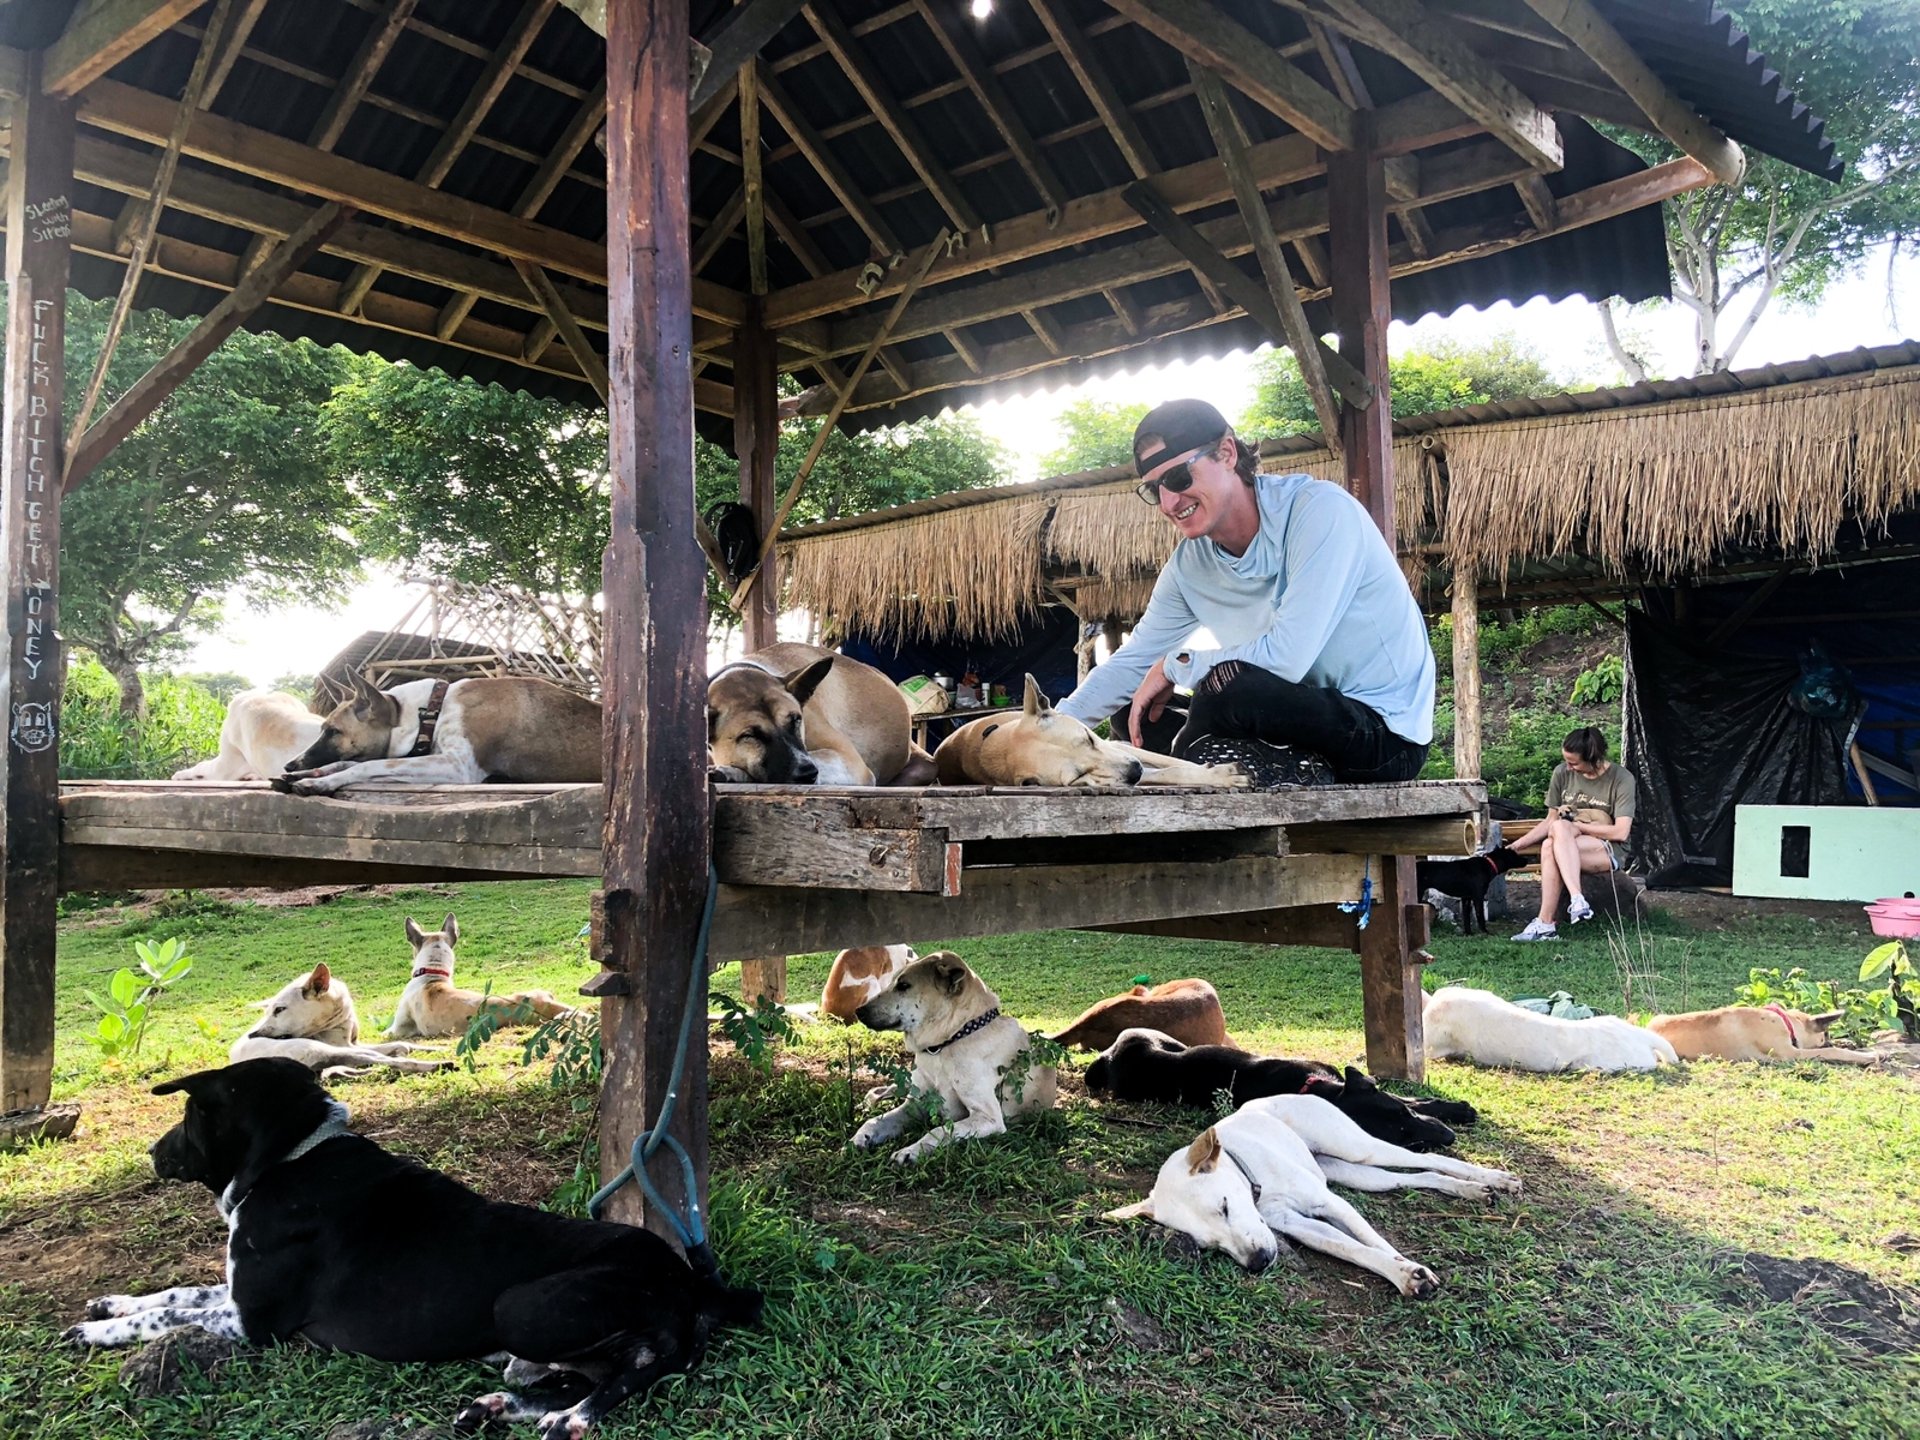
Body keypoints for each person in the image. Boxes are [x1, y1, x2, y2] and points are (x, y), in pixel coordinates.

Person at [1055, 399, 1435, 786]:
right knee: (1136, 709)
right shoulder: (1189, 565)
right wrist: (1048, 726)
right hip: (1287, 722)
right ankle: (1261, 766)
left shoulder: (1320, 512)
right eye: (1155, 490)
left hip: (1383, 735)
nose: (1169, 502)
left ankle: (1206, 769)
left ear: (1226, 453)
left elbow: (1287, 658)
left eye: (1179, 478)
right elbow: (1134, 661)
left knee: (1229, 685)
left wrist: (1177, 665)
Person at [1506, 726, 1636, 942]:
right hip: (1568, 844)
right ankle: (1573, 905)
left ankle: (1548, 921)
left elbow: (1621, 832)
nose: (1568, 767)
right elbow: (1550, 820)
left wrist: (1578, 827)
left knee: (1558, 832)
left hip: (1605, 848)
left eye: (1574, 763)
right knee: (1551, 841)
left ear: (1593, 759)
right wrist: (1516, 846)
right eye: (1566, 761)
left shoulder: (1621, 778)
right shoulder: (1561, 773)